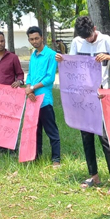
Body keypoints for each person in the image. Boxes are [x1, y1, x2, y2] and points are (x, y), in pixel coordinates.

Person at [55, 16, 110, 195]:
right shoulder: (78, 42)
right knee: (86, 135)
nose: (88, 40)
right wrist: (62, 60)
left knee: (104, 136)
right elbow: (71, 64)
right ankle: (94, 175)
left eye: (90, 36)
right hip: (83, 96)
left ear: (95, 28)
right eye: (85, 37)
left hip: (102, 95)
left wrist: (109, 57)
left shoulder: (106, 40)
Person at [25, 26, 61, 166]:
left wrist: (33, 88)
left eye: (36, 38)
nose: (34, 41)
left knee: (51, 130)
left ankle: (56, 159)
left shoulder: (51, 55)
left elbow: (49, 78)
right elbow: (30, 76)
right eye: (31, 39)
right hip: (32, 99)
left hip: (44, 100)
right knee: (35, 130)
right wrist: (29, 88)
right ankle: (36, 156)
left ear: (42, 38)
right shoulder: (33, 56)